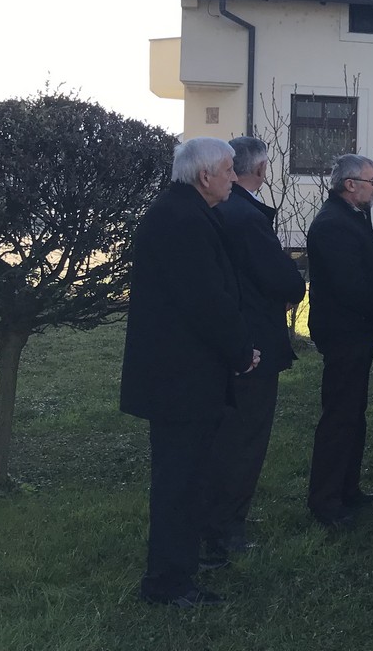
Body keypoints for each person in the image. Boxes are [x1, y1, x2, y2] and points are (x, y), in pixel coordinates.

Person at [120, 137, 258, 608]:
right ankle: (168, 584)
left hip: (180, 374)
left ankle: (177, 568)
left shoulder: (181, 212)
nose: (234, 179)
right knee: (179, 482)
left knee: (185, 479)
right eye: (228, 171)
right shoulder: (181, 220)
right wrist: (241, 352)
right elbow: (207, 302)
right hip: (180, 379)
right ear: (205, 176)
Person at [202, 136, 306, 560]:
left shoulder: (215, 209)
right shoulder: (246, 216)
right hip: (253, 344)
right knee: (244, 439)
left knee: (224, 436)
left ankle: (218, 519)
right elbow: (283, 279)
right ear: (260, 170)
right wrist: (292, 286)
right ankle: (225, 529)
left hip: (226, 340)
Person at [306, 154, 373, 529]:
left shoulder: (353, 216)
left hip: (356, 332)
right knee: (339, 417)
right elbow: (351, 286)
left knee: (353, 414)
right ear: (350, 185)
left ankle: (348, 487)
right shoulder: (332, 224)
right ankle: (326, 500)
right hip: (342, 333)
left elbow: (370, 273)